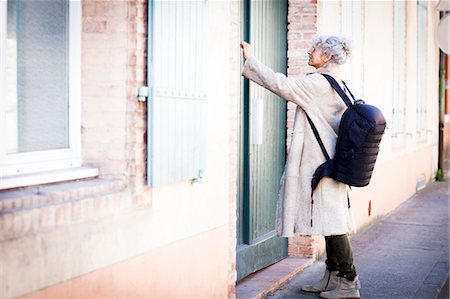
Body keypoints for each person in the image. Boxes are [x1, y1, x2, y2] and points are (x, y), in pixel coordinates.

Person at [240, 35, 361, 299]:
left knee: (335, 223)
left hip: (322, 164)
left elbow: (280, 84)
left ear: (327, 56)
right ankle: (333, 276)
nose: (308, 52)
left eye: (314, 49)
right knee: (329, 220)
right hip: (332, 163)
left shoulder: (317, 83)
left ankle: (349, 283)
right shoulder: (338, 82)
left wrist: (251, 60)